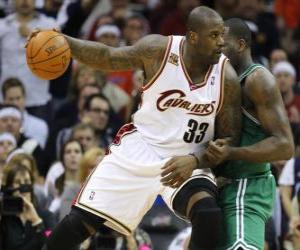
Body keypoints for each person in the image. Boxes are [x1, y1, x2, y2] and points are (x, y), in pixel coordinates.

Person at [30, 6, 242, 250]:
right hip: (141, 148)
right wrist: (65, 42)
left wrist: (195, 161)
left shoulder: (226, 77)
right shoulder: (159, 51)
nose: (221, 42)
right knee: (80, 222)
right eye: (214, 35)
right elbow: (109, 56)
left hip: (187, 160)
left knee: (207, 213)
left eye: (222, 35)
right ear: (193, 36)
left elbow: (228, 138)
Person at [165, 18, 293, 249]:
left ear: (241, 45)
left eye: (223, 42)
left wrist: (232, 152)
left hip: (247, 185)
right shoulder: (215, 80)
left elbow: (284, 145)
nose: (217, 47)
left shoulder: (257, 79)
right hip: (218, 187)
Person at [2, 78, 49, 149]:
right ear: (4, 101)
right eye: (11, 99)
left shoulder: (39, 126)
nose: (15, 103)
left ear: (24, 98)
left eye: (18, 98)